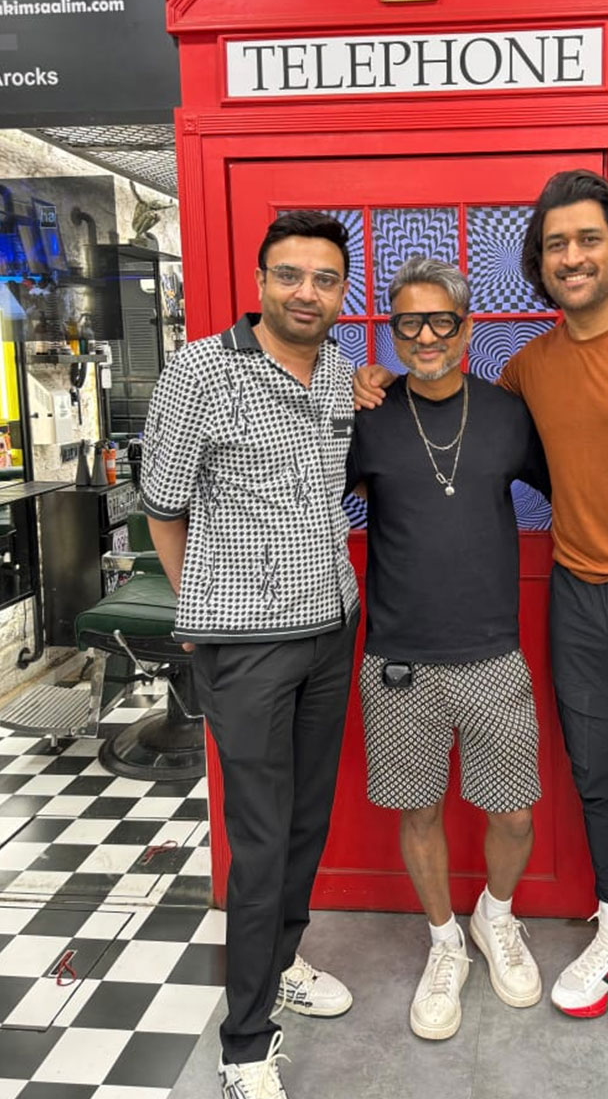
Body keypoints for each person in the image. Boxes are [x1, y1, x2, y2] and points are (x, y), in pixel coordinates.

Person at [355, 170, 608, 1099]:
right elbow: (449, 421)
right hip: (577, 601)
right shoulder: (531, 372)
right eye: (553, 246)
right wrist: (365, 384)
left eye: (586, 239)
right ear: (537, 266)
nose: (571, 257)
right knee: (600, 784)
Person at [143, 210, 360, 1099]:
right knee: (261, 839)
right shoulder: (200, 370)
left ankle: (283, 962)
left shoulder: (344, 371)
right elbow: (162, 503)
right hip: (247, 646)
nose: (307, 292)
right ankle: (244, 1043)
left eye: (324, 279)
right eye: (290, 276)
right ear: (261, 280)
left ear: (340, 291)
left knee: (307, 822)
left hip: (334, 629)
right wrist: (202, 604)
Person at [347, 255, 549, 1041]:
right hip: (398, 657)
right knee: (419, 810)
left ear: (468, 328)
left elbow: (578, 491)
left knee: (516, 813)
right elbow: (302, 496)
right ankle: (443, 942)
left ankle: (495, 919)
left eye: (441, 321)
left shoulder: (507, 414)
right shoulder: (366, 414)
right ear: (392, 329)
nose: (425, 336)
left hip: (494, 653)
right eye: (408, 322)